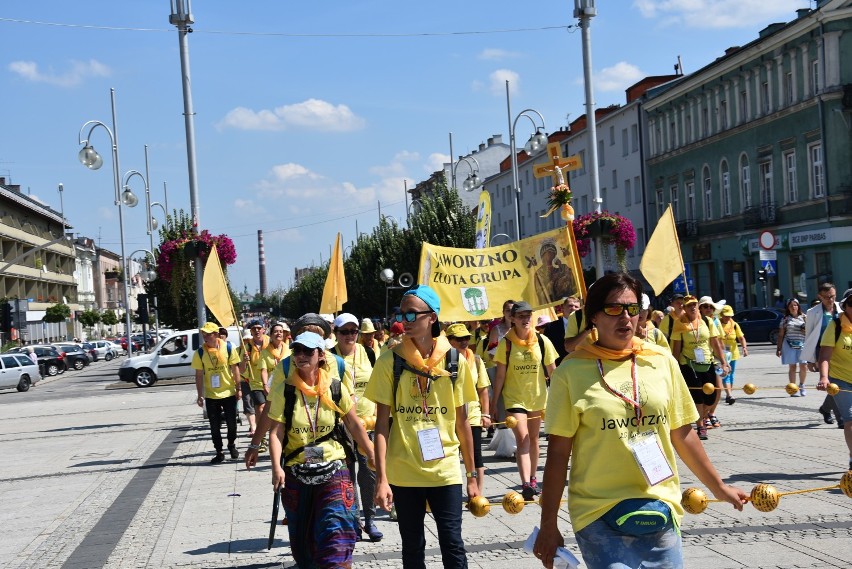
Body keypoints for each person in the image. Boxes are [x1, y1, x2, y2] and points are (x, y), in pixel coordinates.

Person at [534, 273, 746, 569]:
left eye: (633, 309)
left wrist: (719, 487)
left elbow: (683, 433)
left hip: (659, 505)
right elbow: (557, 454)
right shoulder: (570, 372)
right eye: (614, 308)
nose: (625, 317)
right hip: (597, 512)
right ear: (593, 315)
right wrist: (548, 524)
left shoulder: (660, 361)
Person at [366, 285, 479, 569]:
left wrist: (473, 473)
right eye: (402, 314)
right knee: (412, 545)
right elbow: (381, 426)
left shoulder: (455, 361)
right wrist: (381, 478)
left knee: (452, 543)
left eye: (412, 314)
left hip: (445, 469)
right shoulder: (390, 360)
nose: (406, 320)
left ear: (432, 317)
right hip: (404, 470)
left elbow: (463, 422)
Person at [267, 331, 375, 569]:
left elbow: (354, 424)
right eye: (297, 351)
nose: (302, 356)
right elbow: (276, 433)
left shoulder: (335, 387)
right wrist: (276, 468)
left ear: (321, 355)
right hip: (297, 471)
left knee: (335, 532)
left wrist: (372, 454)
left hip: (335, 467)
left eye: (308, 351)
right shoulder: (284, 390)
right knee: (303, 539)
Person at [492, 300, 558, 500]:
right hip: (514, 399)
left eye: (528, 315)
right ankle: (525, 484)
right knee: (523, 439)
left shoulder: (542, 341)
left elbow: (553, 372)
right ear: (512, 318)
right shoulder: (507, 343)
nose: (525, 319)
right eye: (521, 316)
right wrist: (494, 403)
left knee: (535, 439)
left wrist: (559, 398)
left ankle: (533, 478)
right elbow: (500, 376)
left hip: (537, 397)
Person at [330, 313, 382, 542]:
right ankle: (353, 521)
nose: (350, 336)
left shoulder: (368, 352)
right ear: (336, 334)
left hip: (368, 420)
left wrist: (380, 412)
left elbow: (379, 383)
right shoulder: (330, 357)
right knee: (347, 475)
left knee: (369, 473)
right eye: (345, 332)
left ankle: (370, 519)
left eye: (353, 331)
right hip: (342, 424)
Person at [671, 295, 730, 440]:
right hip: (688, 363)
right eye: (689, 305)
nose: (692, 307)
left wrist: (724, 362)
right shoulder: (679, 324)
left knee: (710, 397)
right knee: (697, 397)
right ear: (684, 308)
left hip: (707, 362)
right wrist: (674, 367)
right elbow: (676, 349)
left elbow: (715, 343)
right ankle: (701, 426)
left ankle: (701, 418)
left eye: (695, 305)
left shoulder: (707, 321)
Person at [446, 322, 492, 494]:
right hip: (449, 415)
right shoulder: (442, 361)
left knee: (475, 454)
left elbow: (483, 390)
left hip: (471, 414)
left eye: (466, 338)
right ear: (449, 340)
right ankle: (452, 492)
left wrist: (486, 414)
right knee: (451, 456)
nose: (464, 342)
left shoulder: (476, 360)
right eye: (459, 339)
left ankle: (477, 493)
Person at [192, 322, 242, 464]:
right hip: (211, 395)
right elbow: (199, 375)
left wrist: (238, 388)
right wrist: (200, 395)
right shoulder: (200, 352)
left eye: (207, 334)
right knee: (214, 427)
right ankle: (219, 452)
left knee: (232, 424)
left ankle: (231, 444)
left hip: (229, 393)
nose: (205, 337)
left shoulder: (228, 347)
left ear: (215, 334)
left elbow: (235, 369)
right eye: (203, 334)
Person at [816, 287, 852, 471]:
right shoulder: (836, 326)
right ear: (845, 306)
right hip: (841, 379)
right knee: (850, 419)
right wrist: (824, 377)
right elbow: (824, 355)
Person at [804, 283, 844, 426]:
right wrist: (809, 360)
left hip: (841, 352)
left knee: (836, 384)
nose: (831, 300)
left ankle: (825, 409)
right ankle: (842, 419)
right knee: (834, 384)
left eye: (833, 296)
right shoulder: (812, 312)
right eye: (827, 297)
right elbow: (809, 337)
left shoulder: (843, 308)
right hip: (823, 353)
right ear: (819, 297)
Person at [698, 296, 726, 429]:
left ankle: (711, 412)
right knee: (706, 389)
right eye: (705, 306)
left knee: (719, 388)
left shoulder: (715, 321)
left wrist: (724, 359)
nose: (708, 309)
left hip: (715, 359)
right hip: (702, 359)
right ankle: (703, 416)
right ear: (700, 308)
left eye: (711, 307)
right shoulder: (696, 322)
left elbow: (719, 341)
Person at [240, 319, 269, 437]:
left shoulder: (271, 343)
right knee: (261, 408)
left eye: (259, 328)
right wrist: (244, 361)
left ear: (264, 329)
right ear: (250, 332)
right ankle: (261, 437)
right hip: (256, 382)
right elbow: (241, 370)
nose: (257, 330)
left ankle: (271, 432)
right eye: (253, 329)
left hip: (273, 381)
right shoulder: (247, 347)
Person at [777, 298, 808, 396]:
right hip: (789, 344)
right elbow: (781, 335)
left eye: (795, 305)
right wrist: (779, 348)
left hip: (802, 343)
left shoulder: (804, 317)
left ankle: (802, 385)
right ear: (788, 308)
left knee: (803, 366)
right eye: (791, 306)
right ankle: (793, 388)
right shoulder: (785, 319)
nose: (793, 307)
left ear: (798, 306)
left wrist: (804, 330)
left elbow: (810, 332)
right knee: (792, 366)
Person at [718, 305, 748, 405]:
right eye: (726, 316)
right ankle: (729, 395)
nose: (728, 318)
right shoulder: (717, 323)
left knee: (731, 374)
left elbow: (741, 337)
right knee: (725, 373)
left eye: (730, 316)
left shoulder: (734, 324)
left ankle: (729, 394)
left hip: (732, 353)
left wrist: (744, 348)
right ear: (721, 315)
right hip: (721, 353)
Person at [534, 240, 576, 305]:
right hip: (550, 304)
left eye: (552, 252)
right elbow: (541, 294)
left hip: (566, 301)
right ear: (542, 255)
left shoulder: (562, 267)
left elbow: (571, 284)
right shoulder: (539, 273)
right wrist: (552, 280)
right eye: (547, 252)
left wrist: (561, 268)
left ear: (555, 254)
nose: (549, 254)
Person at [543, 296, 581, 365]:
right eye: (570, 306)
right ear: (562, 309)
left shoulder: (585, 327)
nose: (573, 308)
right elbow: (546, 351)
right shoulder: (550, 327)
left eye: (576, 307)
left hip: (582, 366)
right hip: (560, 368)